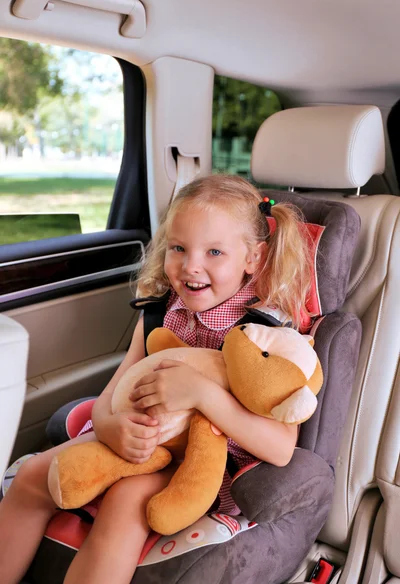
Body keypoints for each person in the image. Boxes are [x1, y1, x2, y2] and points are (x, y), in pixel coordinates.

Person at [0, 174, 312, 584]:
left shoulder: (263, 334)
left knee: (126, 501)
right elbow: (113, 393)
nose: (191, 266)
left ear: (252, 258)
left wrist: (201, 393)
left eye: (214, 251)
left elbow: (281, 448)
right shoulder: (161, 312)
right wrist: (111, 428)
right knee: (32, 476)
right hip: (134, 438)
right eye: (178, 248)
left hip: (199, 463)